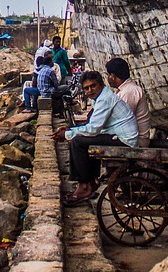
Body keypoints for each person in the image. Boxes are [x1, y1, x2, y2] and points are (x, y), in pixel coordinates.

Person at [54, 70, 138, 204]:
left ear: (101, 85)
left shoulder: (105, 99)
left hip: (124, 139)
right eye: (86, 88)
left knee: (77, 142)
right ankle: (91, 181)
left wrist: (67, 134)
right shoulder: (100, 99)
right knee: (85, 140)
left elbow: (93, 129)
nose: (90, 90)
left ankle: (84, 186)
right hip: (117, 136)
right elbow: (93, 127)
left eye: (93, 86)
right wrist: (70, 130)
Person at [105, 57, 151, 146]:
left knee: (81, 141)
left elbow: (121, 121)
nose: (107, 78)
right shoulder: (125, 90)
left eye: (108, 75)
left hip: (135, 140)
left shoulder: (129, 92)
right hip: (128, 137)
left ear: (113, 76)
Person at [23, 45, 58, 112]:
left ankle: (29, 108)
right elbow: (56, 83)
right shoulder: (49, 69)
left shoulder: (38, 70)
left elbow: (34, 84)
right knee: (36, 92)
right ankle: (35, 108)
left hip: (42, 91)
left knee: (28, 90)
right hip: (47, 90)